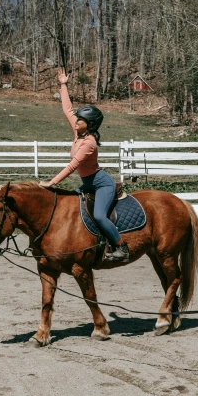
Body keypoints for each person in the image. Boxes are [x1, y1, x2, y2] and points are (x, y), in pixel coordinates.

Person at [39, 68, 129, 263]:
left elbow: (72, 166)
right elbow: (67, 110)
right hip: (87, 182)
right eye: (78, 118)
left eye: (81, 120)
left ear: (89, 125)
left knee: (99, 215)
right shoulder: (78, 133)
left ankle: (121, 247)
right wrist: (63, 85)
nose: (76, 121)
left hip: (101, 183)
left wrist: (51, 182)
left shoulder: (89, 143)